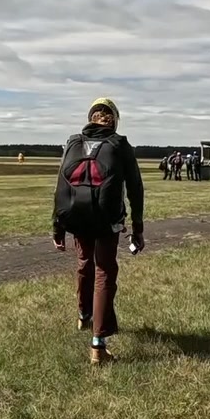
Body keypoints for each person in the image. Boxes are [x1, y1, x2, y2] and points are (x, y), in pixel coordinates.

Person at [52, 98, 145, 365]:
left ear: (90, 117)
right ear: (114, 120)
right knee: (104, 271)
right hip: (107, 219)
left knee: (84, 262)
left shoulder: (73, 142)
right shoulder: (119, 144)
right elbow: (135, 189)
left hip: (76, 216)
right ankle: (98, 345)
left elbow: (60, 186)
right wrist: (138, 229)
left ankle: (84, 316)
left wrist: (57, 228)